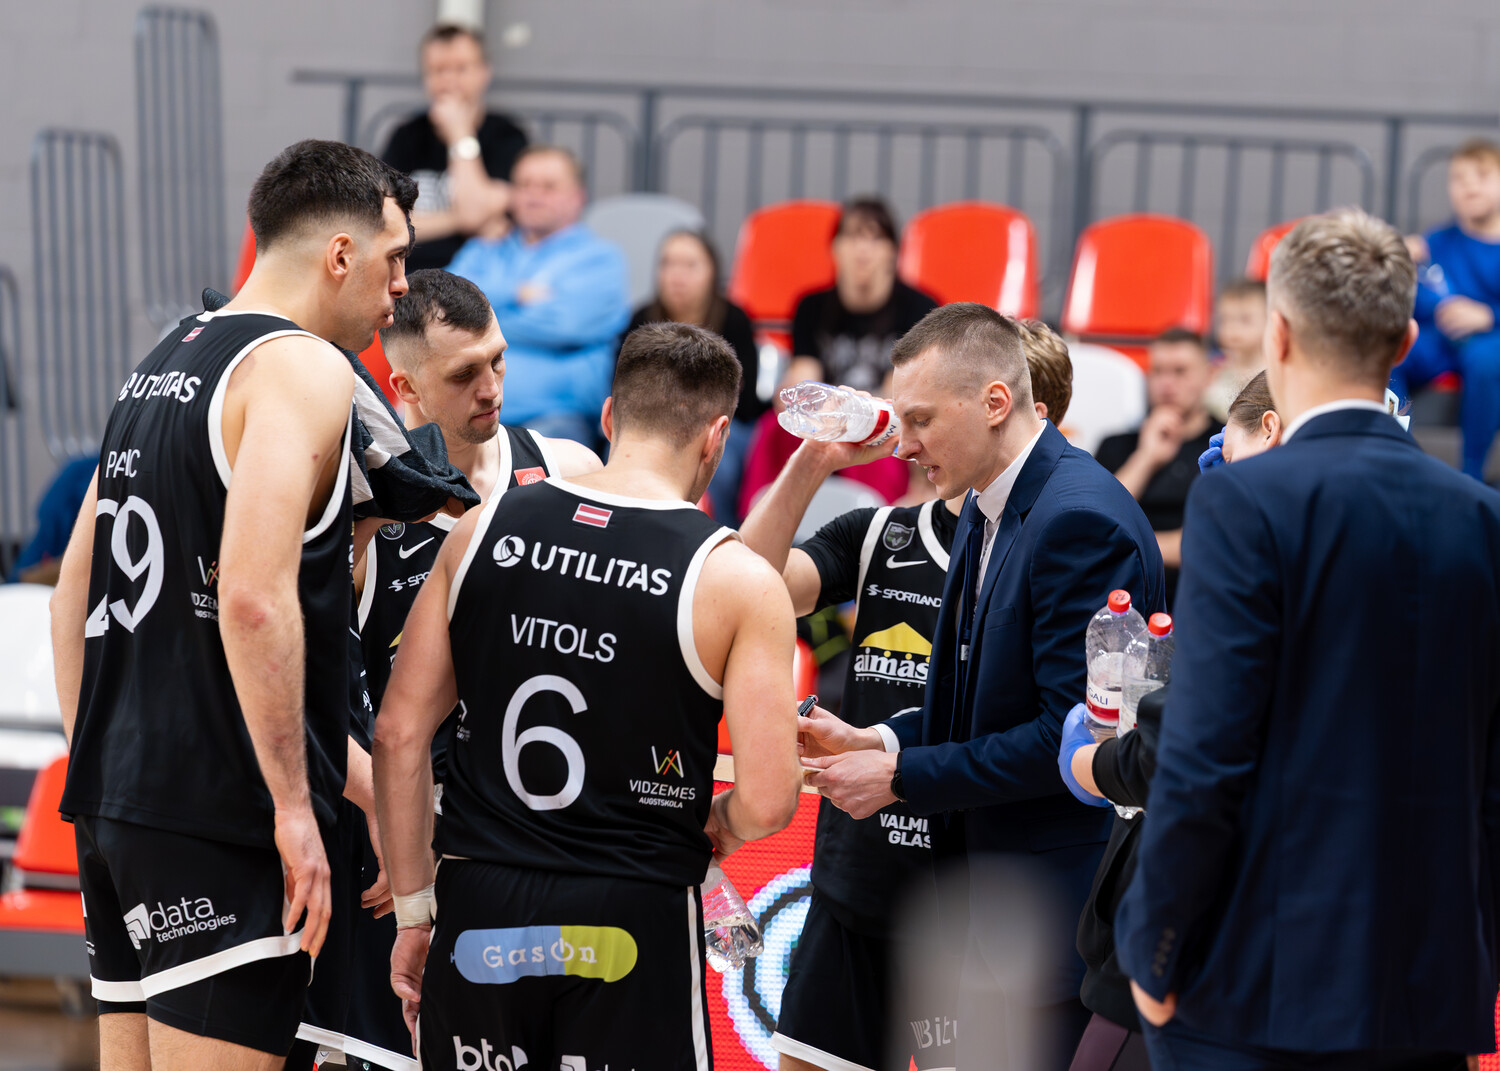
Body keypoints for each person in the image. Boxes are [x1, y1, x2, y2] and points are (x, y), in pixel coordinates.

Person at [48, 139, 416, 1071]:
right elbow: (253, 597)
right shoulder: (303, 368)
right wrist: (295, 807)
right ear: (340, 253)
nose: (401, 288)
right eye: (394, 259)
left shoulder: (162, 358)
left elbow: (72, 591)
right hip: (221, 810)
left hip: (119, 806)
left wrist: (103, 768)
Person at [1116, 209, 1500, 1070]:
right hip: (1433, 987)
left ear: (1278, 334)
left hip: (1260, 985)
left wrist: (1155, 943)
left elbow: (1206, 750)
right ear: (1406, 342)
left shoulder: (1243, 499)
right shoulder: (1485, 518)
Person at [372, 322, 803, 1070]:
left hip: (481, 902)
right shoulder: (737, 579)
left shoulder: (478, 529)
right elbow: (769, 799)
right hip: (630, 915)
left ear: (609, 417)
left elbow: (399, 735)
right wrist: (719, 824)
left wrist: (414, 912)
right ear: (717, 437)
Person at [799, 303, 1165, 1071]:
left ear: (996, 402)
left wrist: (900, 775)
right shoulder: (982, 499)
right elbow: (976, 696)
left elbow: (1065, 740)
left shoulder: (1080, 520)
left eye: (921, 419)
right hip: (983, 903)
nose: (904, 444)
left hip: (1053, 913)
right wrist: (882, 738)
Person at [743, 316, 1075, 1071]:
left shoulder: (1049, 550)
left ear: (1020, 412)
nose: (912, 438)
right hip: (857, 883)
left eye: (929, 416)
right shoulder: (882, 533)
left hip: (966, 905)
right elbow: (748, 585)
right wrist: (814, 460)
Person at [303, 268, 599, 1071]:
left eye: (497, 360)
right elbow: (304, 692)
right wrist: (378, 805)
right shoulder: (358, 512)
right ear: (403, 386)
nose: (492, 387)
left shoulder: (569, 470)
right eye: (465, 373)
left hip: (540, 843)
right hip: (411, 848)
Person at [1059, 373, 1281, 1071]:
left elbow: (1173, 757)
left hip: (1186, 935)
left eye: (1229, 450)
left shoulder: (1259, 562)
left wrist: (1088, 763)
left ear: (1270, 431)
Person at [739, 198, 937, 517]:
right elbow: (803, 374)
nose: (863, 248)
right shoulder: (812, 306)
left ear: (892, 251)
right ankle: (758, 519)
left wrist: (853, 418)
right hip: (828, 417)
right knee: (773, 427)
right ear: (835, 248)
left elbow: (899, 392)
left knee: (874, 435)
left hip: (884, 417)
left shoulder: (919, 307)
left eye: (875, 237)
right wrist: (794, 398)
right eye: (852, 236)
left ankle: (875, 524)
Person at [448, 145, 630, 446]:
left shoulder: (600, 259)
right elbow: (440, 308)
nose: (533, 195)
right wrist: (515, 293)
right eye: (524, 185)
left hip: (552, 419)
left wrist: (474, 319)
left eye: (548, 187)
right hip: (460, 413)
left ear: (578, 197)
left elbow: (567, 324)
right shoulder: (484, 249)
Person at [625, 229, 763, 523]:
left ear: (712, 272)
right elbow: (624, 387)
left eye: (690, 265)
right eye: (668, 264)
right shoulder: (641, 319)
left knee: (721, 465)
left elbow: (745, 401)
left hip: (719, 426)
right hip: (650, 424)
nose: (677, 276)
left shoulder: (734, 320)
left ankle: (720, 538)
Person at [380, 23, 528, 273]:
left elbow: (477, 209)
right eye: (438, 70)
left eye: (461, 69)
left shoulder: (507, 136)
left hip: (477, 279)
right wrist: (464, 219)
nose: (449, 80)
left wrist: (460, 134)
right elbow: (384, 220)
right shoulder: (406, 136)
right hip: (406, 275)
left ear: (484, 73)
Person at [1392, 137, 1500, 480]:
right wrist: (1402, 261)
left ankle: (1472, 475)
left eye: (1481, 175)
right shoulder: (1437, 241)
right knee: (1388, 351)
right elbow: (1419, 301)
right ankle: (1397, 459)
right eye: (1458, 178)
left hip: (1491, 339)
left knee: (1484, 361)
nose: (1469, 186)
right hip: (1442, 338)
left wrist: (1488, 315)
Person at [1094, 329, 1217, 607]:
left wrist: (1124, 548)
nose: (1167, 383)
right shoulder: (1116, 445)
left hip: (1195, 596)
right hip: (1120, 598)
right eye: (1158, 371)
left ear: (1209, 376)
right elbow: (1096, 520)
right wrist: (1147, 457)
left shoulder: (1225, 444)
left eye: (1180, 371)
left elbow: (1216, 541)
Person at [1203, 279, 1267, 423]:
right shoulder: (1215, 369)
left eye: (1245, 320)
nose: (1232, 328)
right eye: (1225, 319)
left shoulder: (1272, 372)